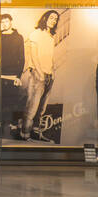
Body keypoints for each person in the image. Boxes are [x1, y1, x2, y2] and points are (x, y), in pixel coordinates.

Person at [22, 10, 60, 141]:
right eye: (51, 17)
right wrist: (39, 73)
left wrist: (53, 72)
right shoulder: (36, 33)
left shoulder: (51, 37)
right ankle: (25, 134)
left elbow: (50, 57)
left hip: (49, 75)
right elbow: (34, 55)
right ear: (45, 18)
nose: (53, 20)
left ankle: (36, 133)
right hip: (38, 75)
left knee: (41, 109)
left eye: (56, 19)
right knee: (32, 107)